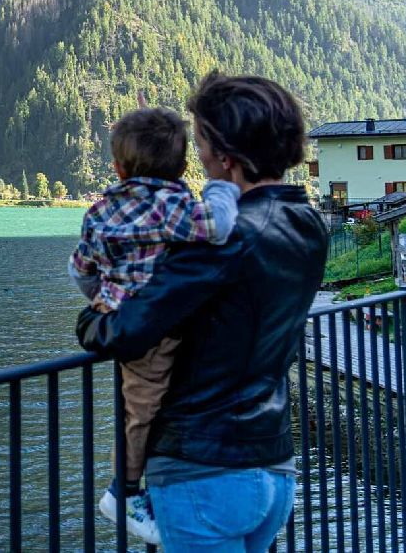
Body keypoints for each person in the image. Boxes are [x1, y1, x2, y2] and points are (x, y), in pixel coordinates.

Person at [77, 73, 327, 552]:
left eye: (201, 144)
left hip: (203, 470)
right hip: (273, 464)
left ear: (226, 157)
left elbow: (126, 331)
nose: (197, 158)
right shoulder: (307, 223)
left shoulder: (222, 241)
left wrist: (91, 319)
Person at [69, 107, 241, 546]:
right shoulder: (175, 205)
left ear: (118, 166)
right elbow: (218, 226)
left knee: (139, 404)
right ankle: (122, 493)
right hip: (157, 328)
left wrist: (106, 300)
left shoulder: (100, 209)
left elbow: (80, 269)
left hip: (120, 320)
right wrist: (221, 188)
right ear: (182, 166)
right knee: (142, 410)